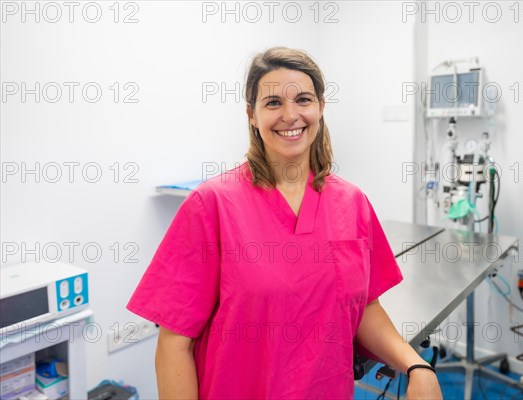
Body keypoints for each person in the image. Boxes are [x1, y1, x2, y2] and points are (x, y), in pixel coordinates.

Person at [127, 47, 442, 399]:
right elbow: (174, 343)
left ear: (321, 107)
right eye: (273, 102)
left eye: (303, 99)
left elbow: (365, 307)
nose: (290, 115)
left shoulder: (351, 203)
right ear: (252, 114)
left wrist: (416, 365)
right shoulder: (212, 205)